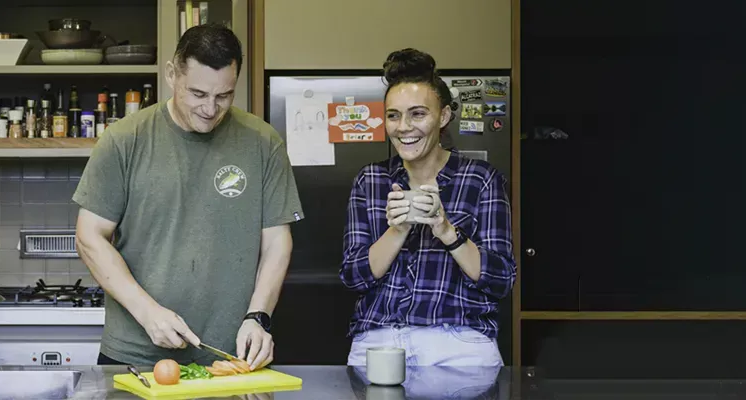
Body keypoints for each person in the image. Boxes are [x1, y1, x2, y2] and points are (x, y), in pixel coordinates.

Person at [73, 23, 304, 369]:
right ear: (172, 75)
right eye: (198, 94)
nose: (210, 109)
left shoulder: (263, 143)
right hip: (135, 356)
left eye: (224, 95)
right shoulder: (124, 140)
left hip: (231, 360)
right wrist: (147, 311)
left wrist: (259, 316)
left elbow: (277, 242)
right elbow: (90, 236)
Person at [339, 48, 516, 366]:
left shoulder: (481, 179)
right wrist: (398, 229)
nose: (403, 127)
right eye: (393, 115)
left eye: (418, 114)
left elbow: (501, 281)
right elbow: (353, 277)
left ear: (444, 116)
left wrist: (447, 230)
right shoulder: (370, 180)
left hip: (460, 339)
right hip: (380, 339)